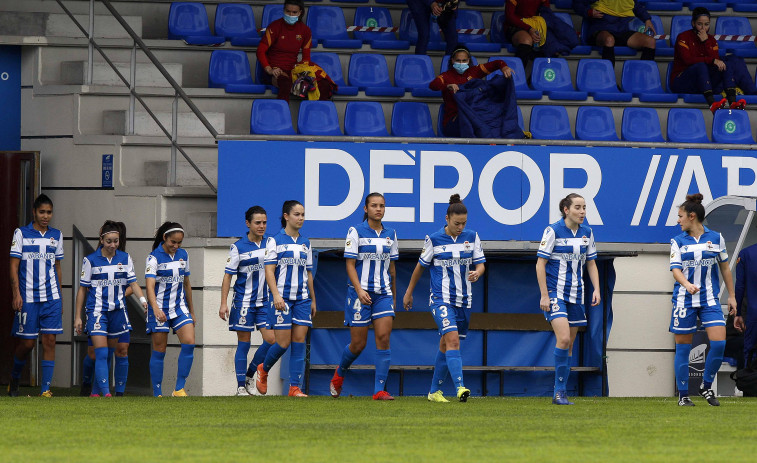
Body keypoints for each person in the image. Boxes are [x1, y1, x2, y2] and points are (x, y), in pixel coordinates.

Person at [403, 194, 485, 403]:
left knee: (445, 344)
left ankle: (434, 392)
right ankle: (460, 388)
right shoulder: (434, 239)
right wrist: (408, 292)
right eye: (457, 223)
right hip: (440, 299)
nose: (460, 227)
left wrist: (478, 272)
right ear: (447, 219)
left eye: (464, 223)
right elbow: (419, 267)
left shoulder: (472, 237)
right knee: (453, 340)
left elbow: (481, 264)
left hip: (464, 301)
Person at [669, 193, 737, 407]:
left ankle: (706, 386)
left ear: (691, 216)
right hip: (684, 301)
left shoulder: (716, 238)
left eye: (680, 216)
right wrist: (687, 285)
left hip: (710, 300)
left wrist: (732, 296)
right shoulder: (677, 241)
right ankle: (683, 395)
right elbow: (675, 270)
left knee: (718, 344)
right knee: (683, 349)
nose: (677, 220)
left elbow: (725, 267)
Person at [330, 193, 399, 401]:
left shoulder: (391, 234)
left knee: (384, 338)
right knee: (358, 344)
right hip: (360, 293)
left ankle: (379, 390)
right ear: (365, 209)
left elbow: (392, 269)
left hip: (383, 293)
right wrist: (359, 290)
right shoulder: (356, 231)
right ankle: (339, 373)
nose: (378, 209)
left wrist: (393, 297)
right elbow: (349, 264)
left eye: (382, 206)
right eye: (374, 205)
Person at [535, 193, 600, 405]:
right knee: (563, 339)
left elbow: (591, 263)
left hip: (576, 295)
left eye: (584, 208)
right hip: (555, 293)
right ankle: (558, 391)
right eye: (578, 208)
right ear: (566, 210)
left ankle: (560, 391)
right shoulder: (553, 230)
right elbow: (540, 264)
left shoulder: (587, 233)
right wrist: (545, 294)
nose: (582, 212)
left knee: (569, 344)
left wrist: (596, 289)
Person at [74, 221, 148, 397]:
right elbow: (82, 289)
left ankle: (97, 392)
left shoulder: (125, 258)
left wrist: (143, 300)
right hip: (97, 312)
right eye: (109, 241)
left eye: (116, 241)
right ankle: (106, 393)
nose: (112, 245)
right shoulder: (90, 260)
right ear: (101, 240)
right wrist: (78, 316)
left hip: (118, 312)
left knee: (111, 353)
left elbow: (133, 283)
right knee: (99, 352)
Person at [254, 200, 317, 397]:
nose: (300, 218)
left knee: (299, 341)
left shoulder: (306, 243)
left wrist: (313, 299)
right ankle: (263, 370)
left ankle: (294, 387)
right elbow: (269, 270)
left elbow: (308, 274)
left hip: (302, 299)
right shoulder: (275, 241)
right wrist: (275, 295)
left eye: (303, 214)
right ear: (286, 216)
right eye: (297, 214)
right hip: (282, 299)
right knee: (282, 343)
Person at [8, 194, 63, 397]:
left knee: (50, 340)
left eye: (49, 212)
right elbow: (13, 266)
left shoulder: (56, 235)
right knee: (27, 344)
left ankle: (45, 390)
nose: (46, 216)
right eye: (42, 212)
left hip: (51, 298)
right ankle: (14, 377)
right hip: (28, 298)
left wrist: (61, 298)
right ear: (34, 212)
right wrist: (16, 294)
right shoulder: (21, 233)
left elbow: (57, 267)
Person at [219, 206, 276, 396]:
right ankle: (240, 387)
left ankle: (250, 374)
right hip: (243, 302)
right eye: (258, 222)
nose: (262, 226)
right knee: (244, 344)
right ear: (248, 224)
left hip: (265, 301)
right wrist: (223, 303)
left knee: (271, 340)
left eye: (264, 222)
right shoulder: (238, 247)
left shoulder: (271, 243)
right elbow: (228, 276)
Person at [145, 222, 196, 397]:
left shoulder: (184, 255)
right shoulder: (153, 258)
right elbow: (150, 286)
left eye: (179, 243)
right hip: (159, 309)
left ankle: (179, 389)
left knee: (189, 342)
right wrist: (155, 309)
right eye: (173, 242)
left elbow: (187, 284)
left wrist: (192, 311)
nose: (176, 246)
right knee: (159, 350)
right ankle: (157, 393)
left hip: (179, 307)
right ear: (164, 238)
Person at [670, 7, 754, 113]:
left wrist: (706, 42)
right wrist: (711, 60)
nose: (703, 28)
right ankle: (712, 104)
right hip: (682, 81)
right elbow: (688, 60)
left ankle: (733, 103)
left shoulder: (711, 40)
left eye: (706, 24)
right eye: (699, 24)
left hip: (702, 82)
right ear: (693, 23)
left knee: (725, 64)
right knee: (701, 65)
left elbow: (715, 61)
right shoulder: (683, 37)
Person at [428, 45, 519, 138]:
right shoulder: (446, 76)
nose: (461, 63)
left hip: (475, 116)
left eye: (464, 61)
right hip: (454, 121)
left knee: (495, 117)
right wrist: (447, 86)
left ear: (469, 61)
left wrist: (504, 67)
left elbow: (497, 63)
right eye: (458, 60)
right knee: (475, 124)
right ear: (452, 61)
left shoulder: (474, 71)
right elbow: (433, 85)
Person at [256, 0, 312, 102]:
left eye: (294, 12)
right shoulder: (274, 26)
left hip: (292, 71)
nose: (290, 14)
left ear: (300, 13)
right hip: (274, 71)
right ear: (283, 10)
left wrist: (303, 72)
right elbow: (260, 51)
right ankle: (281, 115)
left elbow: (306, 56)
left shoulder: (305, 31)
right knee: (286, 83)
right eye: (288, 11)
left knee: (322, 85)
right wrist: (269, 69)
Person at [573, 0, 655, 66]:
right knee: (609, 39)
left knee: (650, 42)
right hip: (600, 29)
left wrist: (647, 19)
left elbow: (635, 5)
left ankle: (642, 81)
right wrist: (589, 12)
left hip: (622, 31)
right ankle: (609, 81)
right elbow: (577, 4)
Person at [733, 237, 757, 367]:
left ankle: (749, 385)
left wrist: (738, 314)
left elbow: (740, 286)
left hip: (753, 314)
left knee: (750, 354)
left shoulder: (746, 254)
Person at [506, 0, 551, 67]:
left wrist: (538, 27)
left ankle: (534, 76)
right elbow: (510, 16)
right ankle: (517, 74)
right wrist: (529, 28)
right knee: (526, 40)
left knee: (554, 44)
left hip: (535, 26)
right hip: (516, 25)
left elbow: (546, 12)